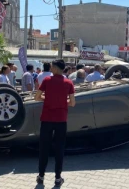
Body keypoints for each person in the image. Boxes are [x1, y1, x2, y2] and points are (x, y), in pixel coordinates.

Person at [34, 59, 76, 187]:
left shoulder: (47, 81)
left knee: (44, 148)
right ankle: (58, 178)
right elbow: (73, 103)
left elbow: (37, 97)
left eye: (52, 67)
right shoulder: (69, 83)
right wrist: (62, 103)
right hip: (61, 120)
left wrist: (47, 100)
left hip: (46, 119)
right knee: (59, 148)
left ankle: (41, 176)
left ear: (57, 68)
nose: (50, 69)